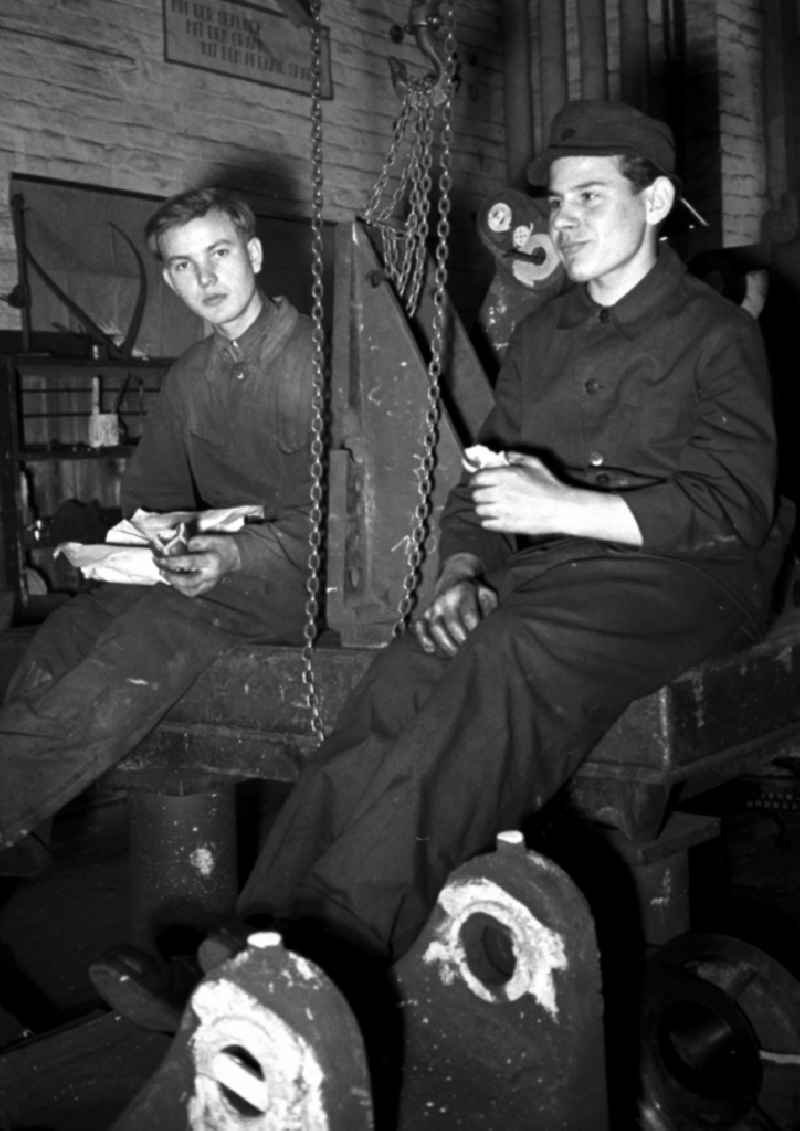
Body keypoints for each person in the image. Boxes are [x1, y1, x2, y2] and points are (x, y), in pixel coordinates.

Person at [92, 102, 789, 1036]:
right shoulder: (547, 336)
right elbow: (483, 485)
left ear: (656, 199)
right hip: (555, 569)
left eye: (593, 195)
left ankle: (333, 946)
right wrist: (461, 570)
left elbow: (734, 507)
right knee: (405, 674)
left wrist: (557, 510)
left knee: (508, 657)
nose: (565, 216)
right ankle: (247, 936)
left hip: (687, 576)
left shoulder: (715, 335)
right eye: (556, 198)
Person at [0, 187, 314, 866]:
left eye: (220, 253)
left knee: (144, 640)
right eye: (182, 266)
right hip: (211, 569)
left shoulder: (319, 363)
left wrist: (230, 555)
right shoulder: (191, 379)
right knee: (69, 630)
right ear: (171, 281)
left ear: (254, 255)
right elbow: (152, 496)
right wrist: (139, 543)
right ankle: (22, 827)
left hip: (295, 578)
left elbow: (344, 523)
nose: (205, 278)